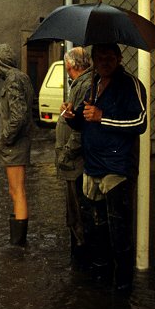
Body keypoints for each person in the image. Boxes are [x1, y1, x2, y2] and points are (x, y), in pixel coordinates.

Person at [63, 43, 147, 292]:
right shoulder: (93, 84)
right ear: (94, 61)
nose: (104, 62)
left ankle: (122, 286)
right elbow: (83, 120)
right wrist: (72, 117)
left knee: (119, 230)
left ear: (119, 58)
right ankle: (101, 278)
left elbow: (140, 122)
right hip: (93, 168)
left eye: (109, 57)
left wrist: (103, 117)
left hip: (117, 169)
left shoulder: (131, 84)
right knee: (95, 229)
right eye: (99, 58)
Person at [0, 44, 34, 246]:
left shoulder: (13, 80)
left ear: (0, 63)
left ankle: (18, 242)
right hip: (18, 143)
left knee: (17, 191)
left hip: (15, 145)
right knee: (15, 190)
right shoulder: (21, 77)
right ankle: (17, 236)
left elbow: (18, 116)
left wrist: (5, 139)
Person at [54, 47, 92, 267]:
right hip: (73, 160)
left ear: (71, 66)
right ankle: (79, 254)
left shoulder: (84, 84)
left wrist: (66, 154)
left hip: (75, 162)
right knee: (75, 208)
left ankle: (81, 259)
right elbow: (75, 117)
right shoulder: (80, 84)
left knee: (76, 209)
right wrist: (68, 111)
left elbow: (79, 130)